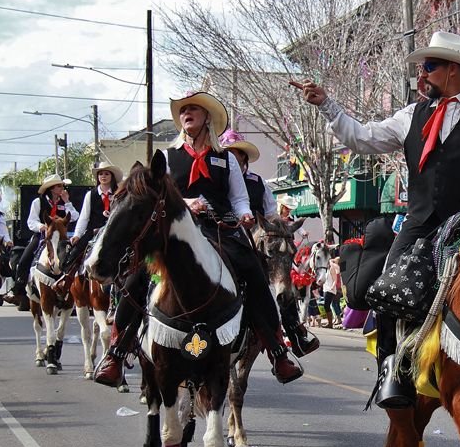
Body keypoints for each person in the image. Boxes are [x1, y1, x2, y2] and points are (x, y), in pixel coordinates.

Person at [293, 30, 460, 409]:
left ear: (453, 70)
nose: (421, 74)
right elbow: (364, 138)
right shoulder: (412, 114)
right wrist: (327, 105)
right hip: (420, 222)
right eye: (421, 68)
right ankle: (391, 368)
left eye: (428, 66)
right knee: (385, 288)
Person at [93, 91, 304, 387]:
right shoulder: (166, 157)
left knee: (254, 272)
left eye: (193, 109)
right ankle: (116, 353)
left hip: (221, 228)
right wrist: (186, 202)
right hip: (175, 229)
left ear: (208, 118)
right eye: (183, 110)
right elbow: (160, 194)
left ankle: (278, 351)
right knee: (138, 275)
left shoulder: (226, 159)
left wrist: (243, 214)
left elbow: (239, 199)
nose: (186, 114)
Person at [221, 129, 319, 358]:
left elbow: (272, 214)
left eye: (236, 154)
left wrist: (267, 230)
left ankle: (295, 336)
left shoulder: (258, 183)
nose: (232, 159)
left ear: (244, 158)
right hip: (221, 237)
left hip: (256, 243)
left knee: (281, 277)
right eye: (228, 154)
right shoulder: (214, 178)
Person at [4, 174, 78, 306]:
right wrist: (41, 227)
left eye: (62, 186)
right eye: (59, 186)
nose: (62, 189)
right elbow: (31, 221)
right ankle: (17, 291)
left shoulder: (64, 203)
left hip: (61, 238)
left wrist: (67, 201)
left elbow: (74, 217)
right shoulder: (38, 202)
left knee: (75, 258)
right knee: (24, 259)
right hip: (43, 235)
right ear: (51, 188)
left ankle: (74, 289)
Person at [55, 162, 123, 292]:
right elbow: (84, 217)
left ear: (112, 177)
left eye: (106, 174)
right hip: (93, 231)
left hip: (114, 232)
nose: (103, 176)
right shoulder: (90, 194)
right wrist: (77, 235)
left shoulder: (118, 193)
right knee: (76, 251)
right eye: (101, 174)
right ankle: (65, 279)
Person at [322, 256, 342, 328]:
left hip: (331, 289)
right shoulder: (326, 270)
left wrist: (332, 287)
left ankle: (331, 321)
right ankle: (331, 320)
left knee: (331, 304)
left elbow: (335, 280)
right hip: (326, 289)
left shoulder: (333, 269)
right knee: (329, 305)